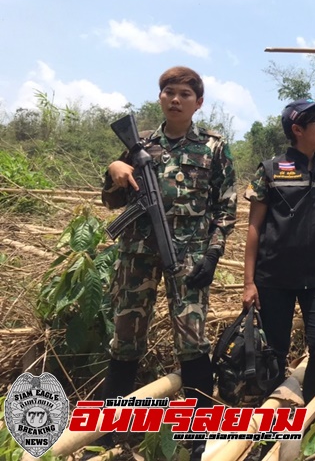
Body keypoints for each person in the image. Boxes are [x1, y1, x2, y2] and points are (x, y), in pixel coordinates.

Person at [101, 66, 237, 460]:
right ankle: (109, 433)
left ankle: (196, 439)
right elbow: (111, 201)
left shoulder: (213, 147)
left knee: (193, 342)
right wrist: (115, 170)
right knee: (125, 339)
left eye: (184, 94)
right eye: (169, 92)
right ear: (160, 97)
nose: (175, 99)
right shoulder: (140, 142)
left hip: (189, 258)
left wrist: (213, 254)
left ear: (198, 102)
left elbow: (225, 210)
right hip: (136, 256)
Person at [242, 94, 315, 404]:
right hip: (274, 277)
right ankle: (271, 418)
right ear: (298, 129)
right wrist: (249, 282)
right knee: (274, 350)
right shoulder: (271, 170)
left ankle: (311, 408)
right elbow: (254, 227)